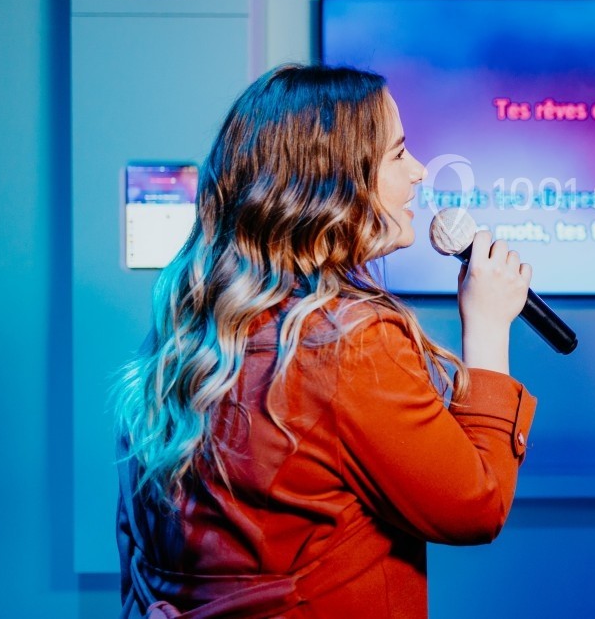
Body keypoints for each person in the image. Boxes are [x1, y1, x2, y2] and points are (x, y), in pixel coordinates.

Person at [114, 64, 536, 619]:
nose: (419, 171)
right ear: (334, 185)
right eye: (397, 154)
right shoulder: (349, 345)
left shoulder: (189, 328)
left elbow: (138, 548)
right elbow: (474, 507)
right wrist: (487, 327)